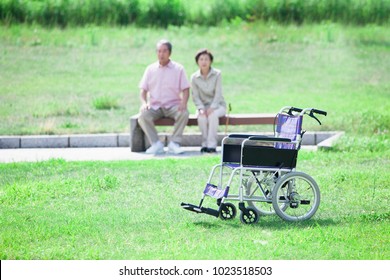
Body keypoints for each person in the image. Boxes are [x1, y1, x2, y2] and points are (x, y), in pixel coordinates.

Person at [138, 39, 190, 155]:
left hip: (173, 105)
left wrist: (184, 103)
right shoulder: (150, 69)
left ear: (170, 53)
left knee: (184, 113)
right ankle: (156, 144)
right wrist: (144, 103)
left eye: (164, 51)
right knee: (142, 115)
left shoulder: (178, 69)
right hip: (155, 106)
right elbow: (143, 90)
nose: (161, 54)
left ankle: (174, 143)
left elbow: (186, 89)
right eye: (159, 51)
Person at [191, 49, 226, 153]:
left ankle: (212, 145)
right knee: (201, 117)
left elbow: (218, 93)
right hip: (203, 106)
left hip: (218, 106)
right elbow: (195, 96)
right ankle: (204, 144)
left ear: (210, 61)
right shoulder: (194, 77)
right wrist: (201, 108)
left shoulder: (217, 74)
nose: (204, 62)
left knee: (212, 115)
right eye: (201, 59)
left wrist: (212, 107)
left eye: (206, 59)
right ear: (197, 61)